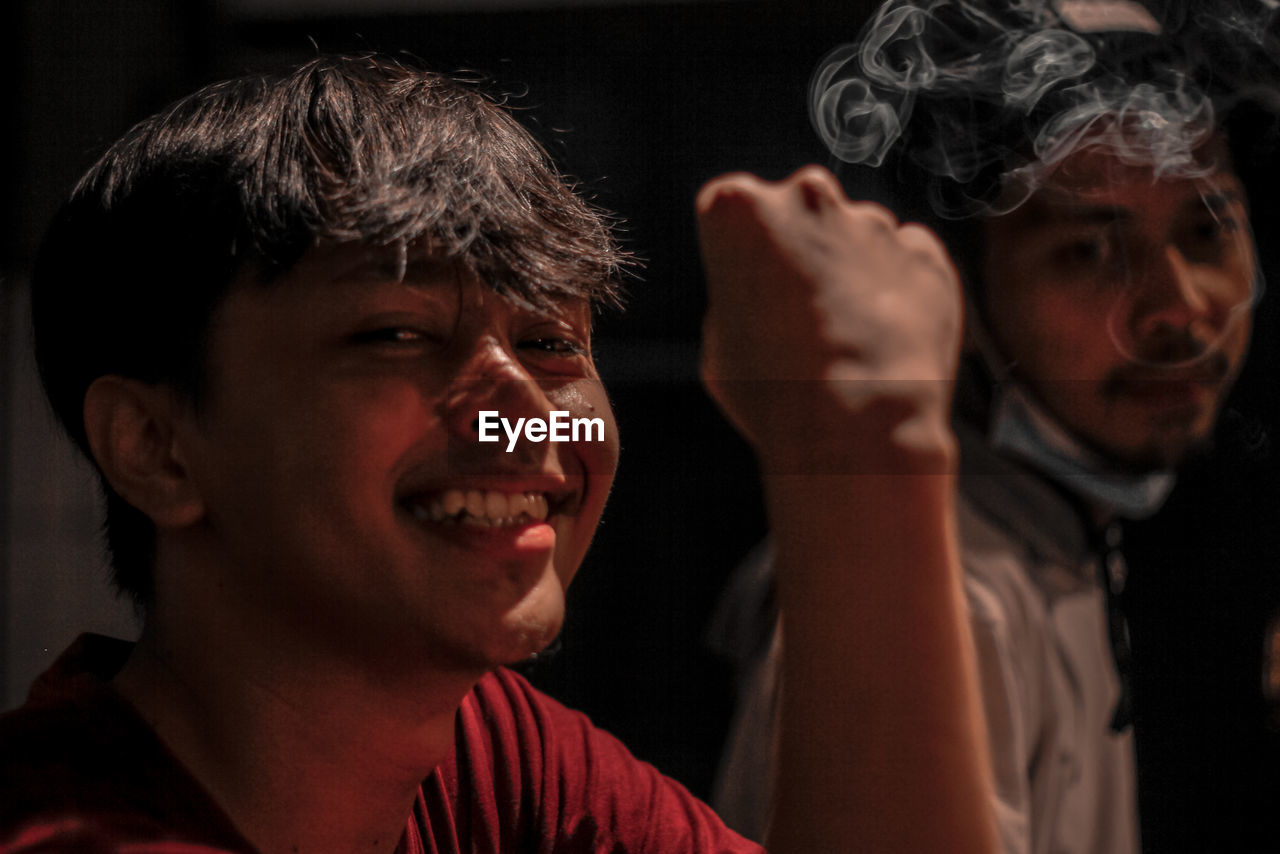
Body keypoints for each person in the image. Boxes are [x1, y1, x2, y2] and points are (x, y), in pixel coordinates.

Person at [0, 53, 998, 853]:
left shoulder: (489, 755)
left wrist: (866, 456)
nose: (519, 406)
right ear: (156, 448)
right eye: (397, 332)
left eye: (554, 343)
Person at [711, 1, 1276, 852]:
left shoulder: (1065, 533)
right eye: (1090, 251)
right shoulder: (948, 593)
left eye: (1207, 230)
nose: (1180, 308)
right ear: (958, 291)